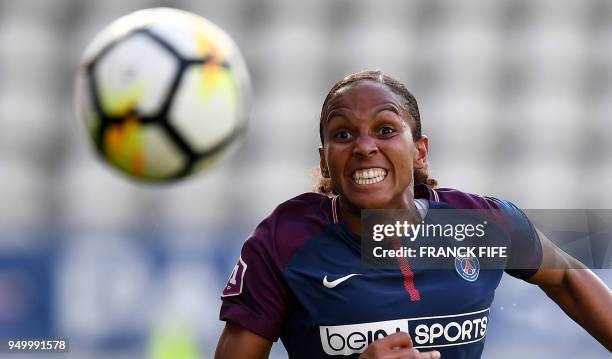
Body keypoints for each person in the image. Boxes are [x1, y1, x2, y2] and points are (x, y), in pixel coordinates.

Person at [214, 70, 612, 358]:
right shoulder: (284, 240)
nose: (364, 146)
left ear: (419, 151)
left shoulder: (478, 224)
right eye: (342, 134)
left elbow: (565, 277)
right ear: (325, 162)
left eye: (385, 130)